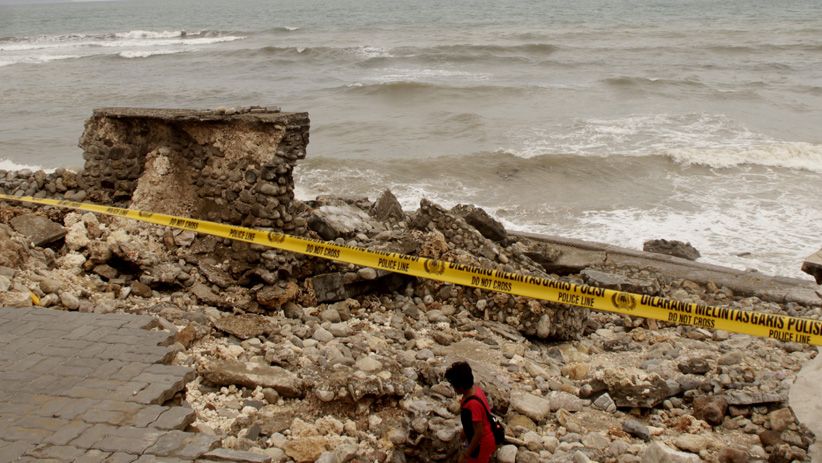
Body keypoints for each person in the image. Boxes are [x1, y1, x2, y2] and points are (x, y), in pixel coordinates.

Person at [445, 361, 496, 463]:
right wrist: (463, 435)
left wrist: (466, 454)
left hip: (483, 442)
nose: (453, 389)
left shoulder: (473, 404)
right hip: (482, 437)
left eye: (454, 386)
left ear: (461, 387)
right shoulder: (475, 391)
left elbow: (479, 433)